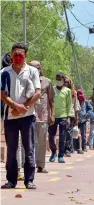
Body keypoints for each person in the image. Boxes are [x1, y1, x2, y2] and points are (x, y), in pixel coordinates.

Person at [1, 43, 41, 189]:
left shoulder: (32, 71)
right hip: (10, 117)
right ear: (11, 55)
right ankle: (11, 180)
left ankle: (29, 180)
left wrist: (25, 107)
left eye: (21, 54)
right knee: (11, 149)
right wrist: (16, 107)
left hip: (28, 117)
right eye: (15, 54)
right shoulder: (4, 72)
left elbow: (37, 93)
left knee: (28, 148)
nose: (18, 57)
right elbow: (2, 95)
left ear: (26, 56)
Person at [30, 60, 55, 173]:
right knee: (31, 142)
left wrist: (52, 115)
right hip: (30, 115)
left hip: (43, 116)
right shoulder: (27, 80)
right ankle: (31, 164)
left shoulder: (47, 82)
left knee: (41, 142)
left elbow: (51, 100)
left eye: (37, 68)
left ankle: (41, 165)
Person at [48, 72, 72, 163]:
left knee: (62, 136)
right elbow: (49, 102)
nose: (58, 81)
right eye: (57, 79)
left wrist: (69, 117)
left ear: (63, 80)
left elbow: (69, 105)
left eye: (60, 79)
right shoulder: (52, 89)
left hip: (63, 116)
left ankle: (61, 155)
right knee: (51, 136)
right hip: (53, 116)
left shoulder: (67, 91)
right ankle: (53, 152)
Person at [64, 77, 79, 156]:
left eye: (67, 82)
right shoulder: (61, 91)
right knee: (63, 132)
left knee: (69, 132)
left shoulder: (74, 93)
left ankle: (68, 149)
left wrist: (77, 118)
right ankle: (63, 149)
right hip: (62, 114)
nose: (66, 83)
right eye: (65, 82)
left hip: (71, 114)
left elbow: (76, 105)